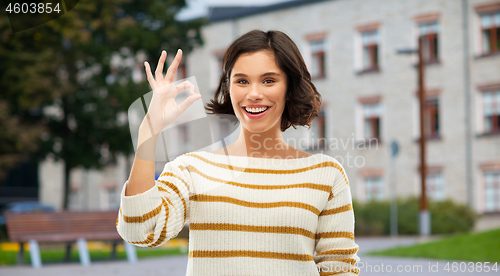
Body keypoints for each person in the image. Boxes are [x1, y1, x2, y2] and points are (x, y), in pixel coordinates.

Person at [116, 29, 361, 276]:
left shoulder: (326, 175)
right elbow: (140, 230)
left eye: (268, 80)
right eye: (242, 81)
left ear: (289, 87)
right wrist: (149, 130)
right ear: (229, 88)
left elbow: (339, 268)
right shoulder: (191, 169)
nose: (254, 93)